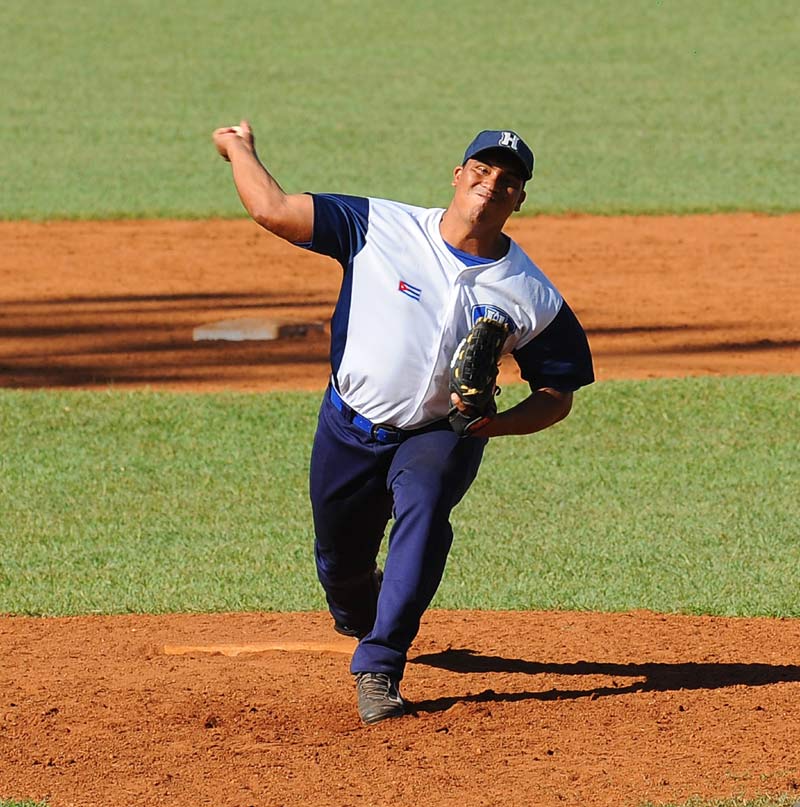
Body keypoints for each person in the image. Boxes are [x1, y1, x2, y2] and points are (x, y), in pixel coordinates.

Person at [212, 121, 594, 725]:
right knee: (341, 562)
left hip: (442, 434)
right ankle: (363, 614)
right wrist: (239, 148)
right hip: (348, 427)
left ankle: (380, 666)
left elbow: (556, 393)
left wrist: (492, 428)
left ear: (521, 199)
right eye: (483, 170)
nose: (492, 184)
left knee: (425, 512)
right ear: (458, 174)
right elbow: (273, 208)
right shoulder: (378, 226)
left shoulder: (532, 294)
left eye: (509, 180)